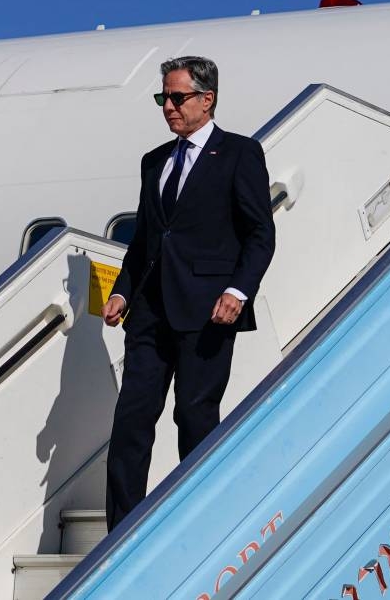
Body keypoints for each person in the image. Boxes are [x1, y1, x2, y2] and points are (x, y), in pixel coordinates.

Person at [101, 56, 276, 531]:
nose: (169, 107)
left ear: (207, 99)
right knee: (131, 419)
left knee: (194, 417)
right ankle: (121, 531)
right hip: (150, 312)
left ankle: (200, 525)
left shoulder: (239, 153)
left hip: (208, 312)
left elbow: (261, 234)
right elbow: (145, 240)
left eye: (177, 98)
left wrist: (238, 290)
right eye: (164, 98)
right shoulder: (154, 161)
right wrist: (122, 292)